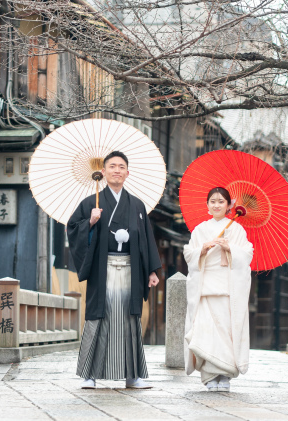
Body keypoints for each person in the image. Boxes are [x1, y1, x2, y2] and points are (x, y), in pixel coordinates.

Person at [66, 150, 162, 389]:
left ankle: (133, 376)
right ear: (103, 171)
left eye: (121, 167)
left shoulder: (137, 205)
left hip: (131, 269)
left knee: (130, 319)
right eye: (112, 166)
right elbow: (72, 229)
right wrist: (90, 221)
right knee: (99, 317)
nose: (116, 170)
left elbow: (147, 239)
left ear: (127, 173)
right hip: (103, 268)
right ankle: (89, 375)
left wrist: (151, 270)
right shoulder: (91, 203)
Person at [182, 187, 253, 392]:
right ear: (207, 205)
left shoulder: (237, 230)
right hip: (205, 288)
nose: (216, 205)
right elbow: (189, 254)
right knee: (206, 331)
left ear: (229, 205)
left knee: (225, 331)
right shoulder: (200, 230)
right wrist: (202, 249)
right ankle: (210, 374)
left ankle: (225, 375)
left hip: (227, 288)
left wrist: (230, 248)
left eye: (221, 201)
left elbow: (247, 255)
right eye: (212, 201)